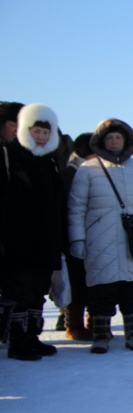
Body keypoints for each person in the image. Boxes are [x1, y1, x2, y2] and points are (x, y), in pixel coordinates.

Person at [68, 118, 133, 354]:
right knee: (101, 290)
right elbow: (76, 207)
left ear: (127, 141)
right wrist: (77, 239)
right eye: (110, 138)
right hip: (100, 238)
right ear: (101, 141)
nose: (114, 141)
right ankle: (100, 336)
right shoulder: (88, 169)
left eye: (118, 137)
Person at [0, 103, 65, 360]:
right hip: (18, 239)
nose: (41, 137)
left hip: (45, 239)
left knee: (38, 291)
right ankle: (18, 343)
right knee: (19, 291)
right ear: (25, 130)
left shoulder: (49, 161)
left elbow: (57, 201)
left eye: (46, 132)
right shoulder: (10, 154)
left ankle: (32, 338)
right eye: (36, 131)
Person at [59, 132, 95, 341]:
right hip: (73, 234)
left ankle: (94, 323)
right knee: (76, 281)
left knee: (95, 281)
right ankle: (73, 325)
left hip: (95, 233)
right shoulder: (71, 172)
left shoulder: (96, 171)